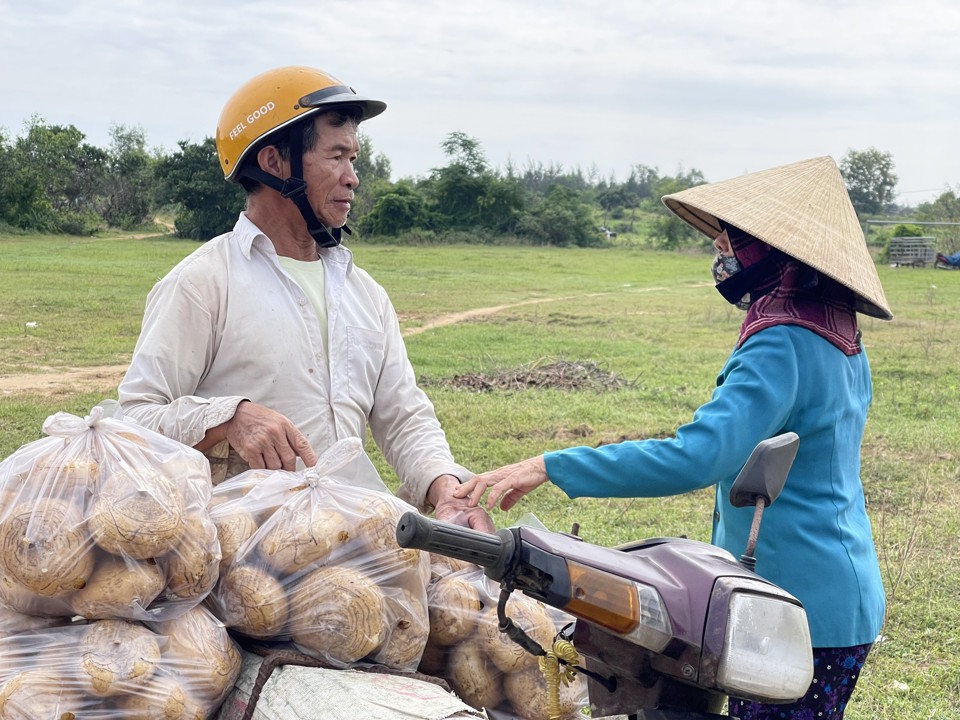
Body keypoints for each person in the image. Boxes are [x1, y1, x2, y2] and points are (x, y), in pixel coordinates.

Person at [456, 156, 891, 719]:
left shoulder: (780, 342)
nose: (722, 252)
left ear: (774, 255)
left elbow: (699, 455)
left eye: (734, 241)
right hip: (842, 595)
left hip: (795, 610)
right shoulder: (838, 333)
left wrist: (552, 465)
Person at [118, 65, 493, 533]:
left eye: (353, 159)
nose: (353, 178)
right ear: (276, 163)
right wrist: (228, 418)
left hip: (348, 545)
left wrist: (444, 487)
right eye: (336, 156)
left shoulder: (364, 293)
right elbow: (133, 422)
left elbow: (403, 415)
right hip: (240, 558)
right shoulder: (203, 283)